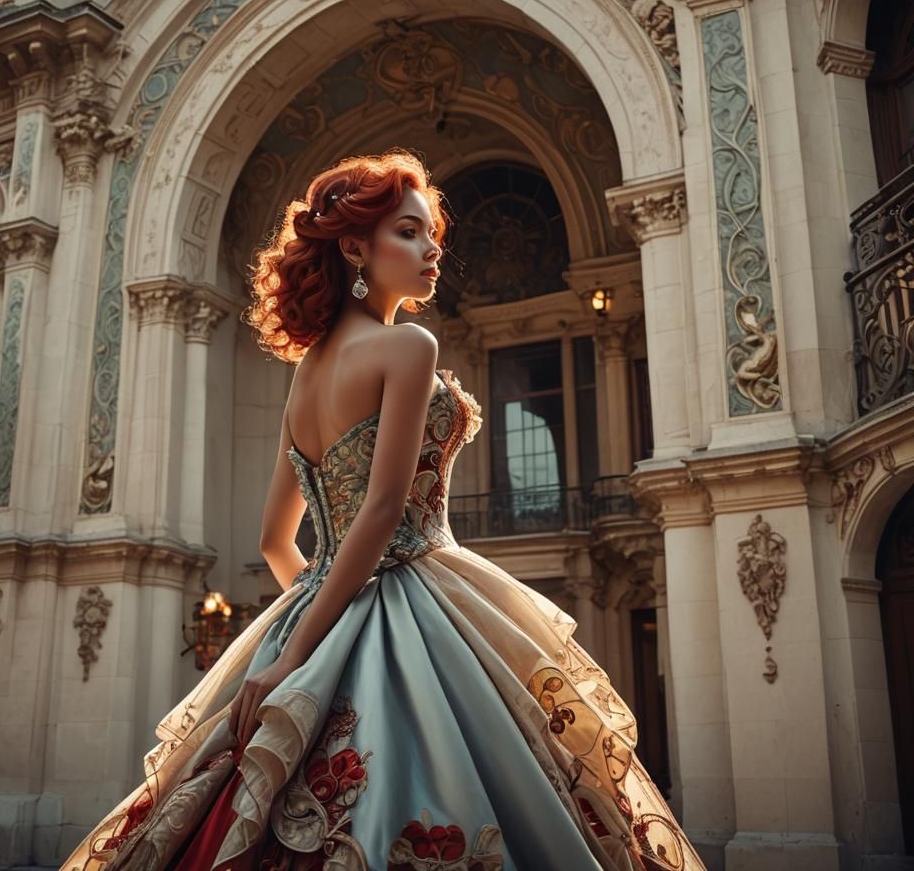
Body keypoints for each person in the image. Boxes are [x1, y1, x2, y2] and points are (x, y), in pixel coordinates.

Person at [62, 149, 705, 871]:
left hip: (315, 606)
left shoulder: (306, 372)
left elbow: (276, 541)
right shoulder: (408, 346)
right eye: (408, 231)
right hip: (420, 590)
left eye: (432, 234)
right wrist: (313, 647)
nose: (431, 249)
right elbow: (382, 510)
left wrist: (312, 630)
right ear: (353, 246)